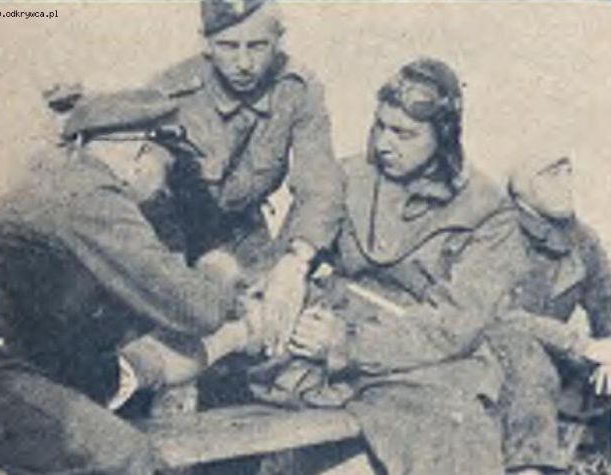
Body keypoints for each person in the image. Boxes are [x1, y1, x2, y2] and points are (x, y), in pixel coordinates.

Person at [0, 90, 265, 473]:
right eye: (166, 171)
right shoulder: (93, 196)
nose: (163, 192)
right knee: (130, 458)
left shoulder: (51, 183)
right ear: (139, 155)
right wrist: (225, 278)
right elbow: (199, 309)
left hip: (4, 357)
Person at [270, 57, 528, 475]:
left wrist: (347, 343)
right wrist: (301, 303)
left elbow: (454, 324)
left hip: (429, 364)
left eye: (405, 133)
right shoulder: (346, 177)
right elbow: (290, 261)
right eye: (381, 126)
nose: (385, 144)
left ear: (444, 136)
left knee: (453, 436)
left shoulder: (487, 209)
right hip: (323, 357)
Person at [145, 0, 345, 356]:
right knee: (177, 323)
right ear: (205, 43)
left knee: (280, 324)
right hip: (171, 235)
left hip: (244, 233)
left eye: (257, 46)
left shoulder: (297, 89)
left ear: (279, 40)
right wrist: (194, 268)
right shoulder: (169, 92)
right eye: (228, 46)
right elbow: (151, 195)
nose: (243, 63)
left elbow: (320, 184)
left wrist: (294, 263)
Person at [483, 156, 611, 475]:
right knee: (527, 358)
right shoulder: (491, 233)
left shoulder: (581, 240)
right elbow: (492, 315)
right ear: (521, 185)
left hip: (554, 364)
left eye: (569, 172)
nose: (566, 183)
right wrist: (581, 345)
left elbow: (606, 300)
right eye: (552, 173)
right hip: (485, 362)